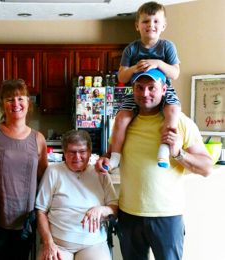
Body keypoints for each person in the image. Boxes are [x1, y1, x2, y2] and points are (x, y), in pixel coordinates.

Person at [96, 69, 213, 260]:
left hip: (167, 216)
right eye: (139, 88)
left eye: (152, 88)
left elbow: (206, 167)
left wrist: (178, 153)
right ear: (132, 89)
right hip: (129, 214)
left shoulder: (179, 122)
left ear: (164, 89)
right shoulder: (124, 123)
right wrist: (104, 160)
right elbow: (110, 155)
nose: (145, 93)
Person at [0, 79, 48, 260]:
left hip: (25, 219)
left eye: (20, 98)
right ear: (2, 104)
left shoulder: (38, 139)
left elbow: (44, 177)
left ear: (28, 102)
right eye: (9, 99)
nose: (15, 104)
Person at [109, 1, 181, 171]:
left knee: (173, 111)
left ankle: (164, 150)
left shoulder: (167, 46)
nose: (151, 25)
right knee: (121, 118)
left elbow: (175, 73)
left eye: (156, 21)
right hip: (137, 89)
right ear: (137, 25)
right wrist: (134, 68)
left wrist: (158, 63)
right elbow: (122, 76)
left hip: (164, 89)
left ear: (163, 25)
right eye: (146, 21)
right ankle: (114, 157)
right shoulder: (131, 49)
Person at [36, 129, 118, 260]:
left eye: (82, 151)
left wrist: (102, 209)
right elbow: (41, 211)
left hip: (93, 243)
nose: (77, 157)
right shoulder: (53, 171)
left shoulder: (100, 174)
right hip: (58, 244)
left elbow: (114, 208)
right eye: (72, 152)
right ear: (64, 153)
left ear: (90, 152)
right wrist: (48, 243)